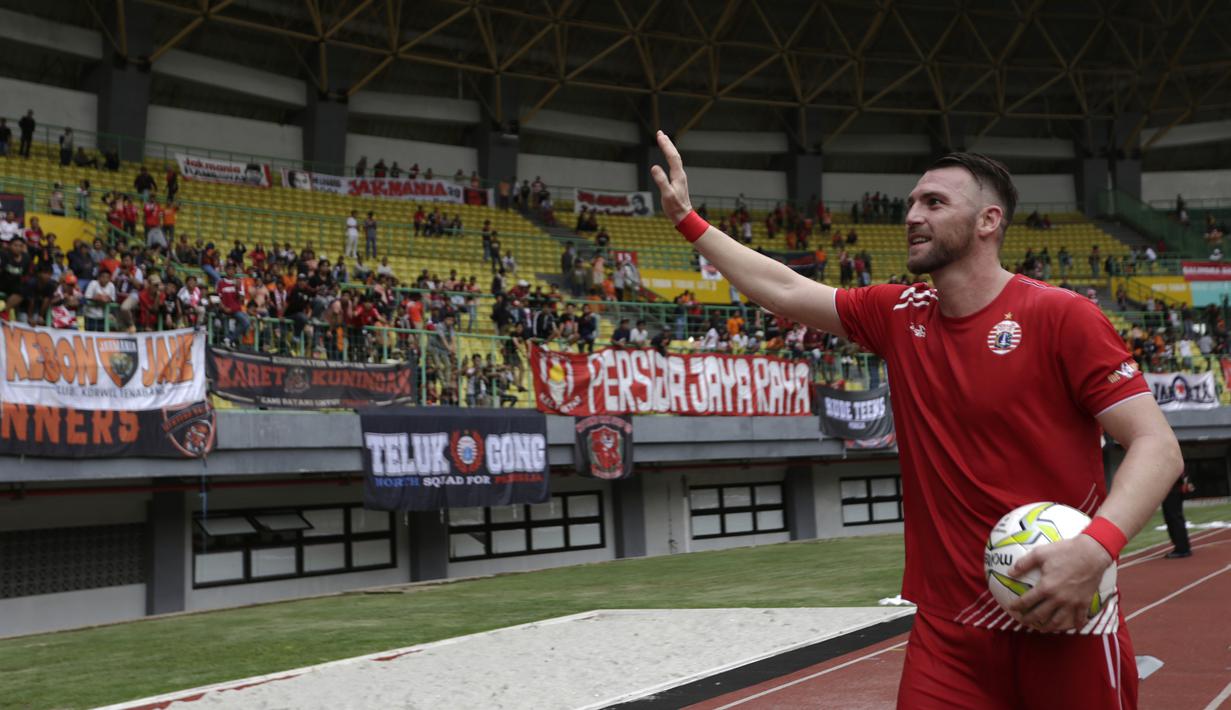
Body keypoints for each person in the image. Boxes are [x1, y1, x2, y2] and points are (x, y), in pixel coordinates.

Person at [650, 130, 1183, 709]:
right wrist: (687, 220)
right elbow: (783, 289)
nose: (912, 215)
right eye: (911, 202)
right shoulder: (899, 315)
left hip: (1066, 618)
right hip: (948, 634)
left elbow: (1156, 445)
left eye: (934, 202)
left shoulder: (1062, 317)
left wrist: (1097, 548)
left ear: (987, 222)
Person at [1161, 476, 1192, 558]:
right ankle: (1182, 547)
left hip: (1173, 490)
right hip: (1171, 489)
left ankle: (1182, 549)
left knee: (1174, 519)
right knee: (1172, 518)